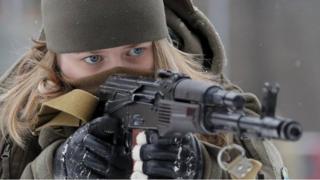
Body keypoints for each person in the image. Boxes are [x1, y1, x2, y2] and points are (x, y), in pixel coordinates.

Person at [0, 0, 286, 179]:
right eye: (93, 59)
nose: (118, 69)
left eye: (136, 51)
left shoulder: (208, 102)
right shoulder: (18, 120)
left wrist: (206, 169)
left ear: (160, 49)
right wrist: (55, 169)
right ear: (58, 63)